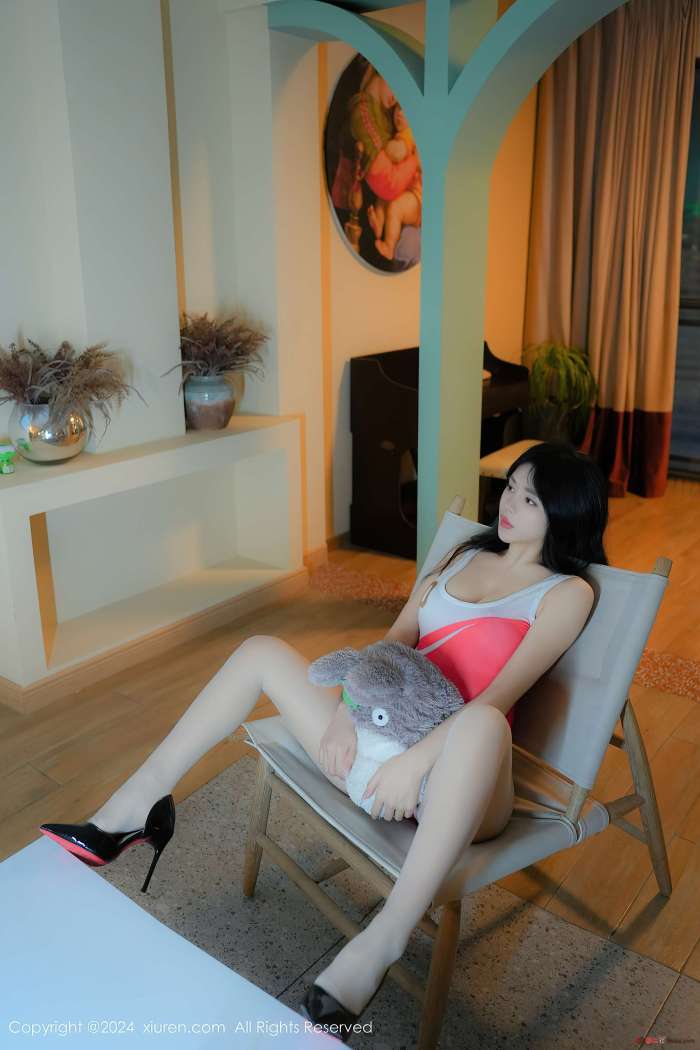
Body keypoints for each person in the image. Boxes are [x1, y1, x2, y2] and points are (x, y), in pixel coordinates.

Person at [39, 441, 608, 1039]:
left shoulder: (565, 594)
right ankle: (137, 807)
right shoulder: (465, 554)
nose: (508, 505)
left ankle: (383, 941)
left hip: (462, 781)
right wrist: (347, 710)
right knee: (260, 650)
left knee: (483, 722)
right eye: (510, 486)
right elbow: (394, 642)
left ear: (565, 512)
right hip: (378, 748)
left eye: (529, 499)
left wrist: (416, 763)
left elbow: (499, 697)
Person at [367, 105, 422, 262]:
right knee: (383, 196)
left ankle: (390, 247)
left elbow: (397, 152)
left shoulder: (410, 134)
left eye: (406, 110)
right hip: (404, 190)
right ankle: (379, 225)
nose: (400, 114)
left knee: (395, 206)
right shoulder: (399, 135)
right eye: (398, 108)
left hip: (417, 198)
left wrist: (381, 150)